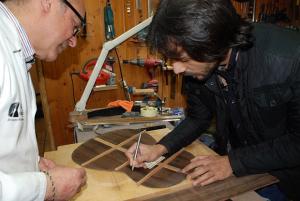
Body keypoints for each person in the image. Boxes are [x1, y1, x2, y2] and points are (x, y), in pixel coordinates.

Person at [125, 0, 300, 200]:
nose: (177, 69)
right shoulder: (199, 63)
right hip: (249, 170)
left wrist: (232, 162)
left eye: (182, 59)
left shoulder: (291, 57)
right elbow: (198, 118)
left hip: (290, 179)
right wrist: (159, 148)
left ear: (213, 42)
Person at [0, 0, 87, 200]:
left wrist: (28, 161)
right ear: (47, 2)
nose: (74, 41)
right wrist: (45, 187)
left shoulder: (17, 54)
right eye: (75, 26)